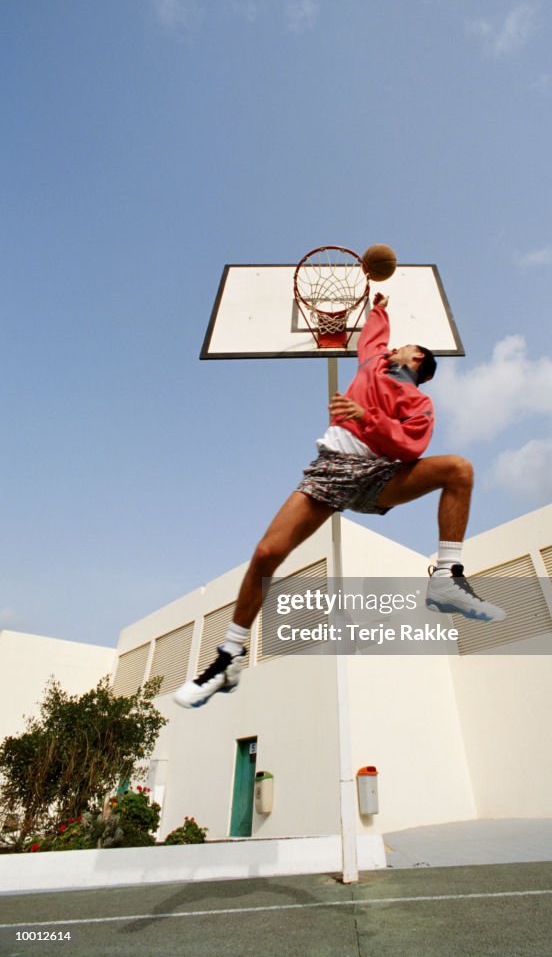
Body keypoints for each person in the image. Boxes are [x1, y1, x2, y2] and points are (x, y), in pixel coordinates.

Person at [174, 292, 505, 709]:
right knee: (265, 554)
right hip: (331, 471)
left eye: (404, 347)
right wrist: (380, 305)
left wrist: (366, 418)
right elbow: (373, 334)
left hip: (380, 477)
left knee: (459, 468)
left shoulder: (419, 402)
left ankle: (446, 577)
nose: (393, 348)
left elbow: (412, 444)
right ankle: (229, 657)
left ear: (417, 358)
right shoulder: (371, 362)